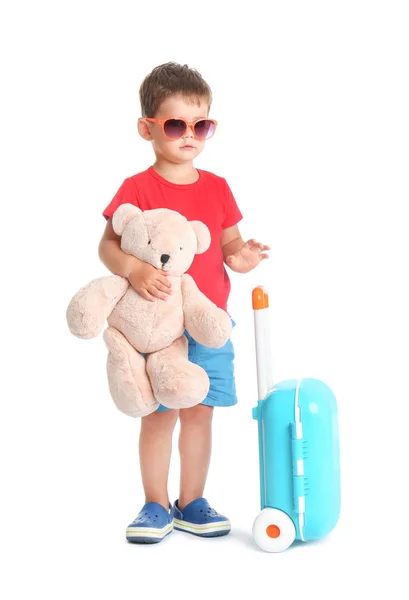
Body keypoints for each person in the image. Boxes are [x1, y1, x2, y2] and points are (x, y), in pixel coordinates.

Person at [99, 62, 269, 543]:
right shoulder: (137, 188)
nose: (189, 135)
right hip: (157, 330)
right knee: (159, 415)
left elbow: (229, 244)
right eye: (176, 125)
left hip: (210, 323)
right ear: (147, 128)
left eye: (202, 126)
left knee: (200, 412)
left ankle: (191, 500)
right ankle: (154, 504)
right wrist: (133, 268)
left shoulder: (217, 187)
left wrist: (243, 256)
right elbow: (107, 246)